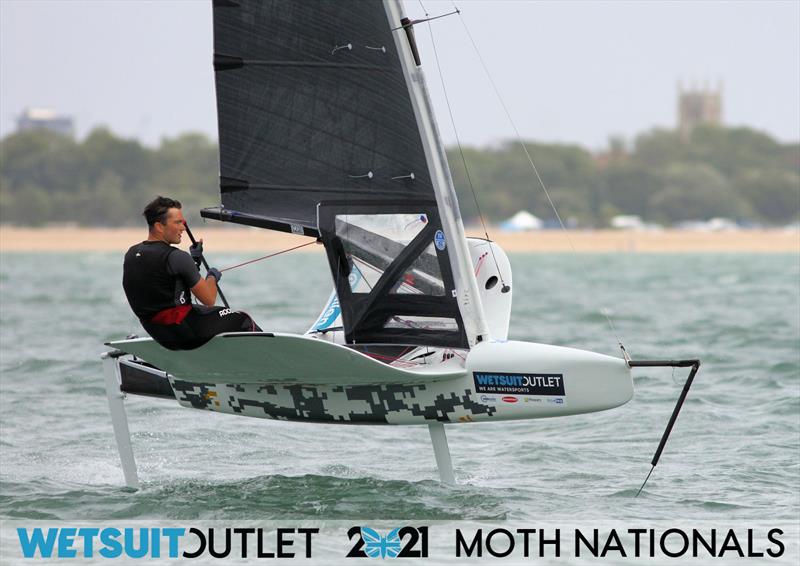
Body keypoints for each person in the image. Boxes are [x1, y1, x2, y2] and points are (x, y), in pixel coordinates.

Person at [123, 196, 260, 350]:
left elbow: (160, 286)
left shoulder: (131, 254)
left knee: (212, 313)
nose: (183, 228)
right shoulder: (177, 257)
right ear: (159, 226)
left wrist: (193, 263)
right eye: (177, 222)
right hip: (187, 334)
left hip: (162, 336)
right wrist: (212, 277)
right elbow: (208, 299)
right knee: (241, 318)